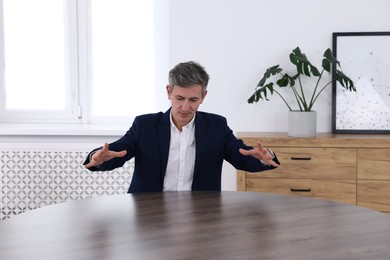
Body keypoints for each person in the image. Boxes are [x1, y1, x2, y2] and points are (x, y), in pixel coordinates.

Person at [83, 61, 280, 193]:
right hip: (149, 214)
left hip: (201, 215)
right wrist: (98, 158)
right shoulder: (145, 126)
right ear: (169, 92)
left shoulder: (216, 126)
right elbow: (117, 153)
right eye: (179, 98)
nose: (185, 107)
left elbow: (242, 157)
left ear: (203, 97)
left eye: (193, 99)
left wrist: (264, 158)